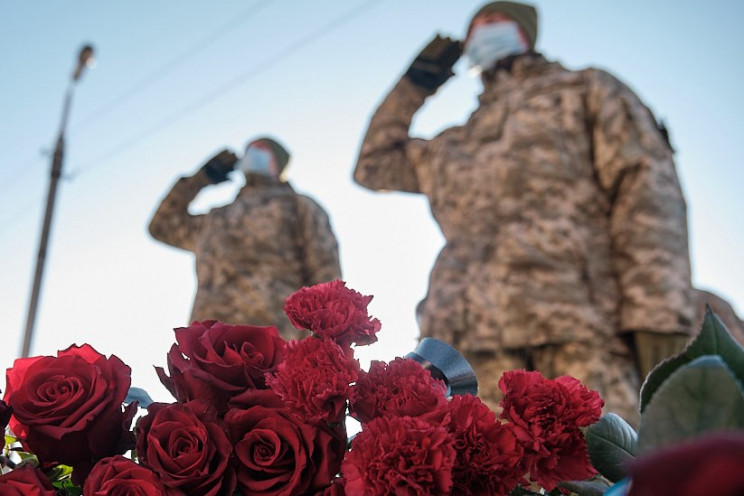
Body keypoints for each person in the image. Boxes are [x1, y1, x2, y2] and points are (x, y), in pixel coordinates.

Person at [354, 1, 698, 423]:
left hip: (575, 334)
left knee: (597, 480)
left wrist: (657, 316)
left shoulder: (583, 89)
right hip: (465, 354)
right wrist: (414, 85)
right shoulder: (453, 143)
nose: (482, 31)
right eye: (474, 27)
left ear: (524, 31)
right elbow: (371, 166)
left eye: (494, 22)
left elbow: (646, 189)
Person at [150, 136, 341, 340]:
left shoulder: (298, 206)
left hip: (275, 344)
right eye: (249, 149)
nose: (252, 153)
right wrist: (200, 179)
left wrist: (321, 346)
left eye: (261, 149)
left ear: (278, 163)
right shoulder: (215, 219)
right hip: (208, 348)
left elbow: (325, 276)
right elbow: (162, 225)